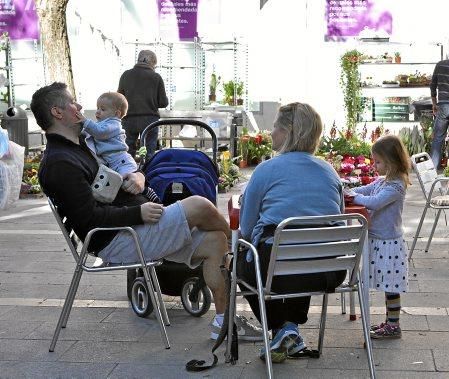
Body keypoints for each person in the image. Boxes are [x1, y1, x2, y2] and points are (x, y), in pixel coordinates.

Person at [31, 82, 261, 342]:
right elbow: (90, 219)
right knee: (199, 205)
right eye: (73, 102)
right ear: (57, 112)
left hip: (135, 229)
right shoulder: (60, 162)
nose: (81, 107)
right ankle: (249, 247)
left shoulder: (82, 145)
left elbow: (120, 170)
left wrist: (139, 176)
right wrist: (138, 213)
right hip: (119, 238)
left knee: (215, 243)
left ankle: (224, 322)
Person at [239, 102, 345, 363]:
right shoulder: (329, 171)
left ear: (288, 131)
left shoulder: (266, 170)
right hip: (327, 270)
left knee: (241, 264)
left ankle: (281, 329)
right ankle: (289, 331)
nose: (271, 132)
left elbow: (247, 226)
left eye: (275, 126)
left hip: (278, 266)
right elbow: (338, 217)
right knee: (302, 251)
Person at [347, 134, 411, 339]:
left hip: (389, 244)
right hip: (380, 241)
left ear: (392, 161)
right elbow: (365, 189)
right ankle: (390, 322)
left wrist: (353, 197)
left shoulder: (396, 186)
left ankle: (394, 326)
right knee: (386, 284)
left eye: (378, 161)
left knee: (391, 286)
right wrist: (348, 189)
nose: (374, 165)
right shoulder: (383, 181)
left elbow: (374, 202)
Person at [76, 91, 158, 202]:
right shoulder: (103, 123)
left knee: (127, 184)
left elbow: (100, 132)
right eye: (98, 108)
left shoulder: (113, 124)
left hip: (121, 161)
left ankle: (147, 191)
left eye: (103, 109)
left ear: (117, 114)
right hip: (114, 161)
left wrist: (84, 121)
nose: (98, 112)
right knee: (121, 185)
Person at [118, 50, 168, 159]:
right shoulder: (156, 77)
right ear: (153, 62)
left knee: (128, 151)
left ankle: (128, 173)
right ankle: (147, 172)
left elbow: (119, 98)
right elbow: (163, 102)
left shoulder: (126, 75)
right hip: (150, 120)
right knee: (149, 152)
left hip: (128, 119)